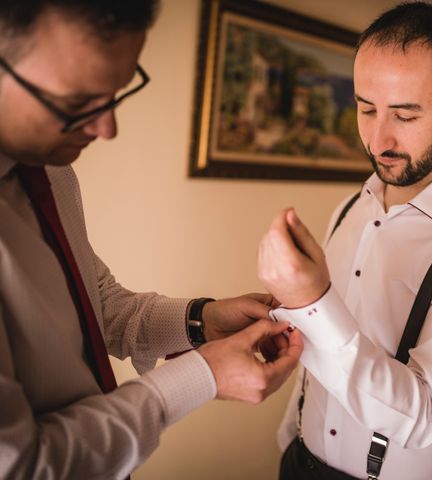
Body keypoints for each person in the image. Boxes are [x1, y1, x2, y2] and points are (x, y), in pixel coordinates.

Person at [0, 1, 302, 478]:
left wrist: (200, 321)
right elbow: (23, 466)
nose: (106, 128)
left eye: (116, 93)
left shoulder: (51, 171)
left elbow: (91, 303)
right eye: (79, 103)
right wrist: (200, 378)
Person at [257, 2, 432, 479]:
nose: (378, 138)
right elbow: (320, 361)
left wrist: (311, 301)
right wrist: (292, 437)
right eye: (366, 109)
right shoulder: (351, 208)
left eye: (405, 115)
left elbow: (424, 415)